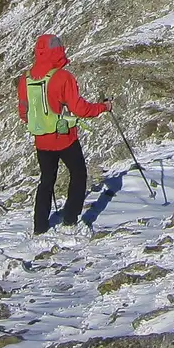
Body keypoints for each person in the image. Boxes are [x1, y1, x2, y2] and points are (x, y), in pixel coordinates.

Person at [17, 33, 110, 236]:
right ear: (57, 52)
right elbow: (79, 109)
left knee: (46, 180)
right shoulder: (63, 77)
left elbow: (23, 113)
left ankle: (40, 226)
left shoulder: (26, 79)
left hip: (41, 139)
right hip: (64, 138)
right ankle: (70, 219)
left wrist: (42, 122)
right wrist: (102, 107)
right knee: (78, 174)